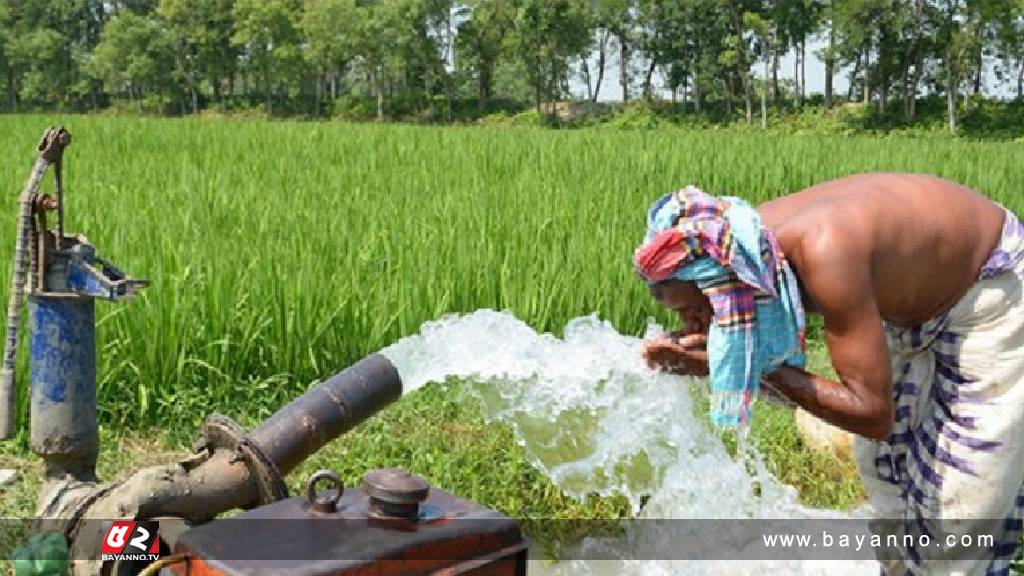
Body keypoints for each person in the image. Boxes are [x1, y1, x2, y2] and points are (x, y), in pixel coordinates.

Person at [634, 174, 1024, 575]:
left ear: (721, 287)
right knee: (888, 477)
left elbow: (872, 414)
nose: (699, 323)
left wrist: (734, 366)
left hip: (991, 293)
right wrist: (730, 359)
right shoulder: (744, 251)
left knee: (958, 517)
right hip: (916, 308)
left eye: (697, 310)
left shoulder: (822, 251)